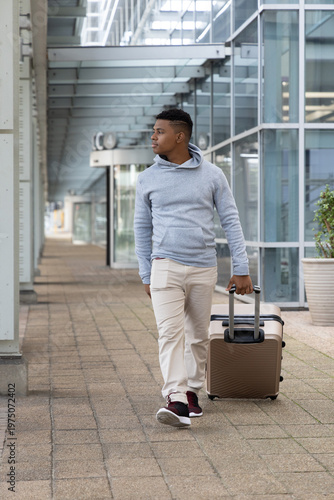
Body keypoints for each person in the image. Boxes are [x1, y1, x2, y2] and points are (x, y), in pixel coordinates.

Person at [134, 108, 253, 428]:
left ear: (180, 136)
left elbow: (231, 220)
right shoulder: (147, 178)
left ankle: (192, 392)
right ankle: (175, 397)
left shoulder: (213, 175)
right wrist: (146, 273)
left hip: (203, 267)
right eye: (153, 131)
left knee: (197, 336)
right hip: (165, 266)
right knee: (170, 334)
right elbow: (141, 229)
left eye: (159, 132)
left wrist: (241, 267)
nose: (153, 136)